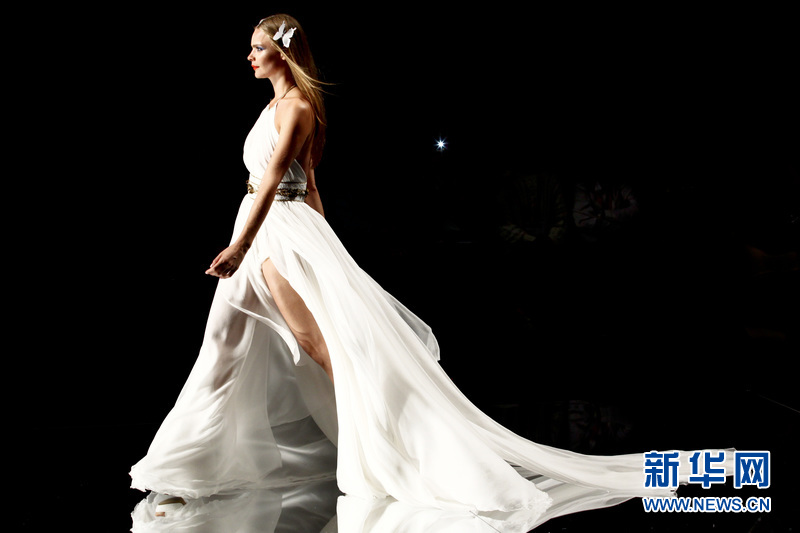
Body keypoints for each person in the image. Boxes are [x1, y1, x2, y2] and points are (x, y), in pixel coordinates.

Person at [130, 14, 733, 528]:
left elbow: (283, 181)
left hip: (273, 233)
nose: (250, 56)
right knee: (225, 341)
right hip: (271, 228)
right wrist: (313, 245)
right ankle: (188, 467)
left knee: (317, 345)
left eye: (258, 47)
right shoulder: (271, 107)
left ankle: (387, 440)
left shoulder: (299, 109)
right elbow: (305, 184)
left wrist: (247, 245)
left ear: (282, 53)